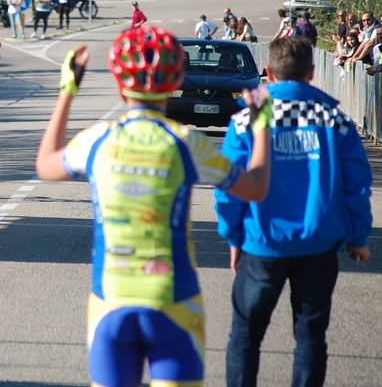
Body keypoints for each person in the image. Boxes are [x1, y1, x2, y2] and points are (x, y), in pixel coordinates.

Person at [35, 26, 273, 387]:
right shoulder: (186, 141)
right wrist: (261, 127)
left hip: (110, 300)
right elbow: (255, 188)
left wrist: (68, 89)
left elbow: (46, 164)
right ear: (176, 79)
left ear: (118, 83)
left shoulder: (97, 140)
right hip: (173, 301)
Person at [215, 37, 372, 387]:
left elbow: (230, 186)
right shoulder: (335, 119)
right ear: (312, 73)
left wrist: (233, 236)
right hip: (318, 244)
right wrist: (358, 237)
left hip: (261, 242)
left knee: (245, 335)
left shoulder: (246, 119)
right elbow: (356, 185)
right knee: (311, 335)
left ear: (268, 73)